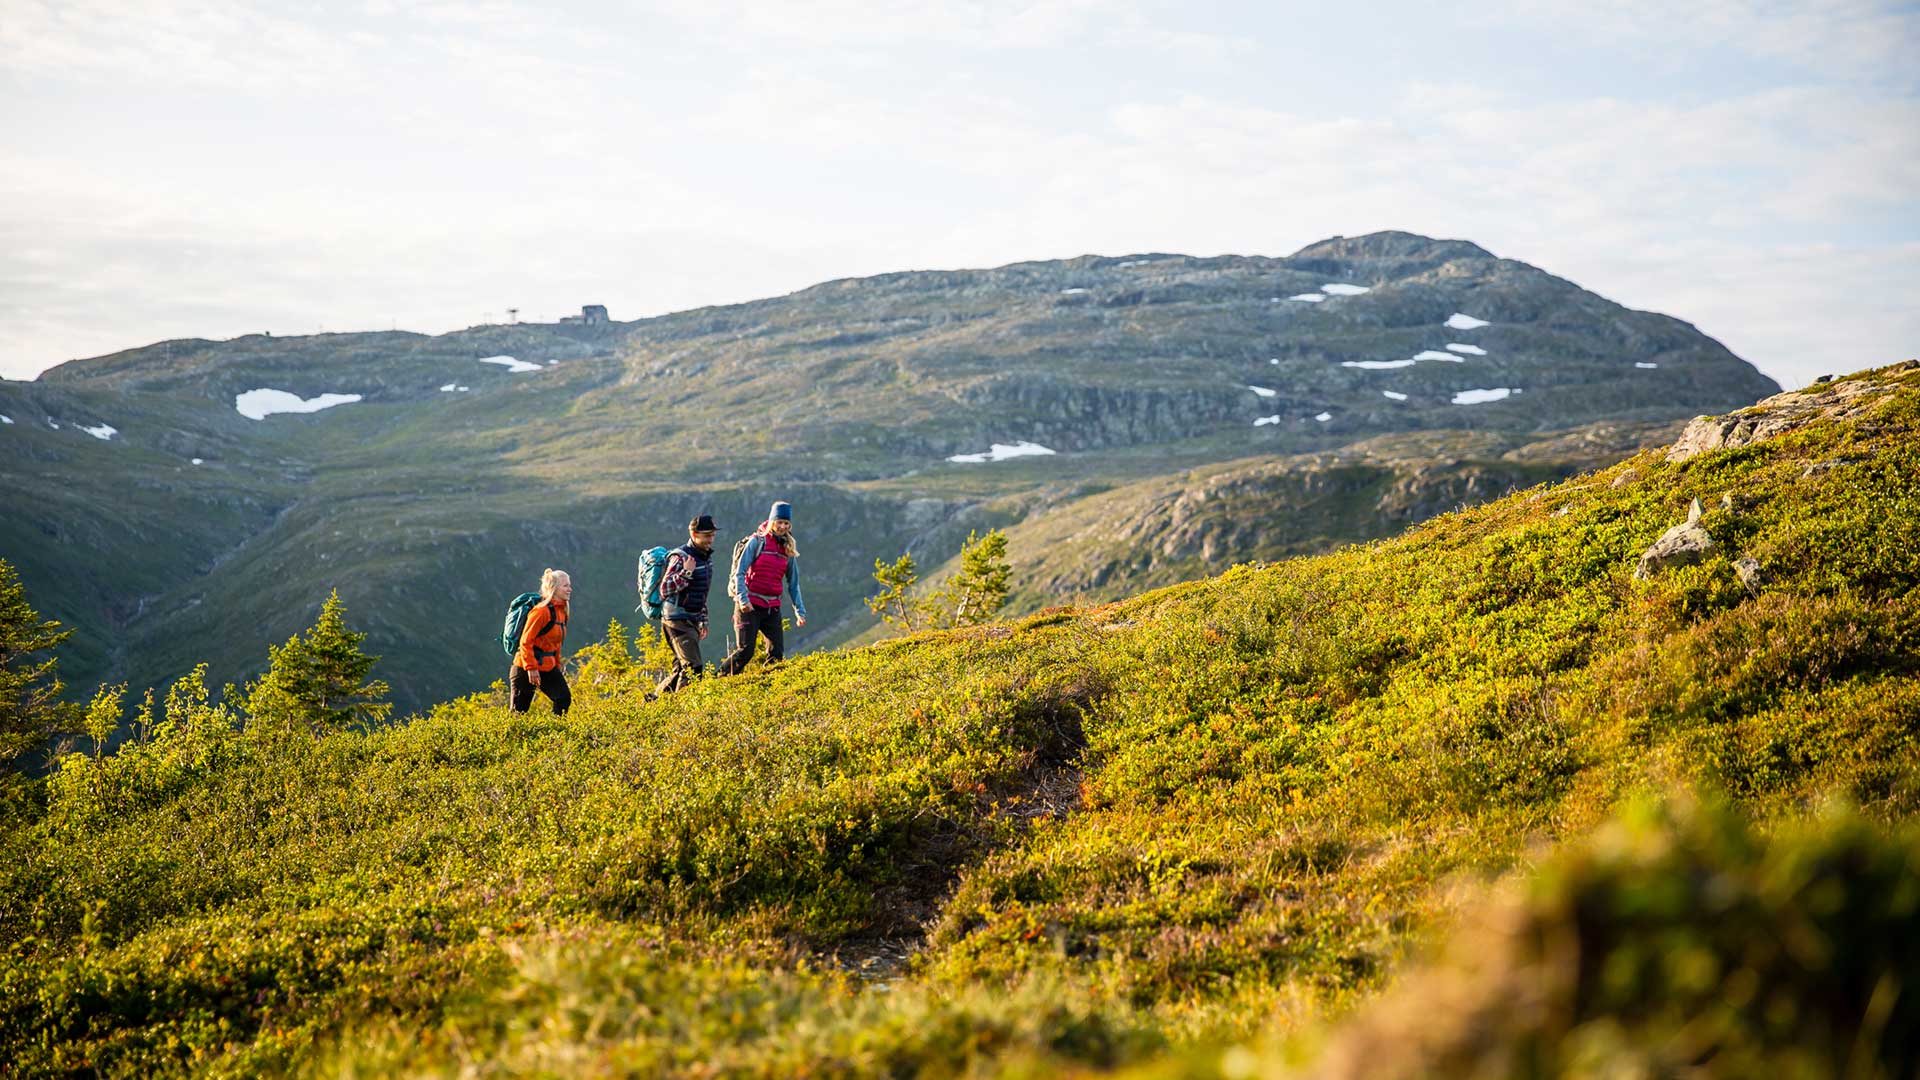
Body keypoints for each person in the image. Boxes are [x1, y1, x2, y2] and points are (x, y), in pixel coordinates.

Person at [720, 501, 807, 675]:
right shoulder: (757, 542)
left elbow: (793, 583)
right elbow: (740, 572)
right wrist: (743, 600)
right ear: (772, 521)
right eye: (779, 522)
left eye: (786, 523)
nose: (782, 526)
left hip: (772, 608)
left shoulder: (788, 549)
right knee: (745, 651)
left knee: (776, 654)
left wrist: (799, 611)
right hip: (749, 605)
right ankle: (715, 682)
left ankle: (769, 691)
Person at [653, 514, 719, 698]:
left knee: (681, 667)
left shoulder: (705, 558)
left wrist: (703, 620)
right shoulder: (681, 557)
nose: (710, 540)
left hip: (692, 618)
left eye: (712, 535)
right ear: (694, 533)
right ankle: (682, 707)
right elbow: (664, 589)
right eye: (707, 535)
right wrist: (686, 573)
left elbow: (702, 593)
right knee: (693, 667)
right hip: (676, 619)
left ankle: (656, 700)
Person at [512, 568, 572, 715]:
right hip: (525, 668)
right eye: (565, 586)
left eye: (569, 585)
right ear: (554, 587)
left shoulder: (562, 612)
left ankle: (557, 734)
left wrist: (557, 665)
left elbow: (556, 644)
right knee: (518, 714)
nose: (570, 589)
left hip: (547, 667)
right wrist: (531, 668)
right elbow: (525, 641)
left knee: (563, 699)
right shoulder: (541, 611)